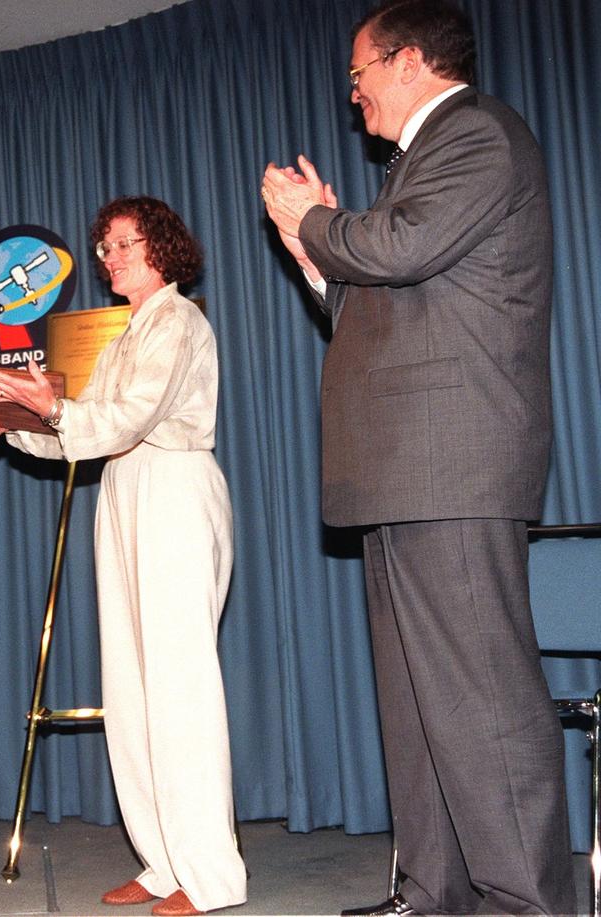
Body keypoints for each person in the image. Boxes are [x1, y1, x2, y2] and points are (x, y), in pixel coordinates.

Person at [260, 2, 572, 914]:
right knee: (417, 705)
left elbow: (401, 248)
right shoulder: (421, 162)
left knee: (481, 700)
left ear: (406, 62)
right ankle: (433, 892)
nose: (353, 97)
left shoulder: (476, 132)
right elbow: (386, 295)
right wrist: (313, 253)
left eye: (358, 75)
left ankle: (529, 902)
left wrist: (318, 220)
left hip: (454, 462)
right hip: (407, 465)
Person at [0, 197, 246, 917]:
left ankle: (210, 877)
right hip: (124, 487)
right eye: (105, 246)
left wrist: (52, 407)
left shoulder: (178, 321)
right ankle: (161, 862)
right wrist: (13, 425)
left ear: (164, 247)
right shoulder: (126, 334)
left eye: (125, 243)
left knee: (179, 691)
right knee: (132, 688)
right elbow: (83, 433)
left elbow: (128, 416)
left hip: (173, 488)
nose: (109, 257)